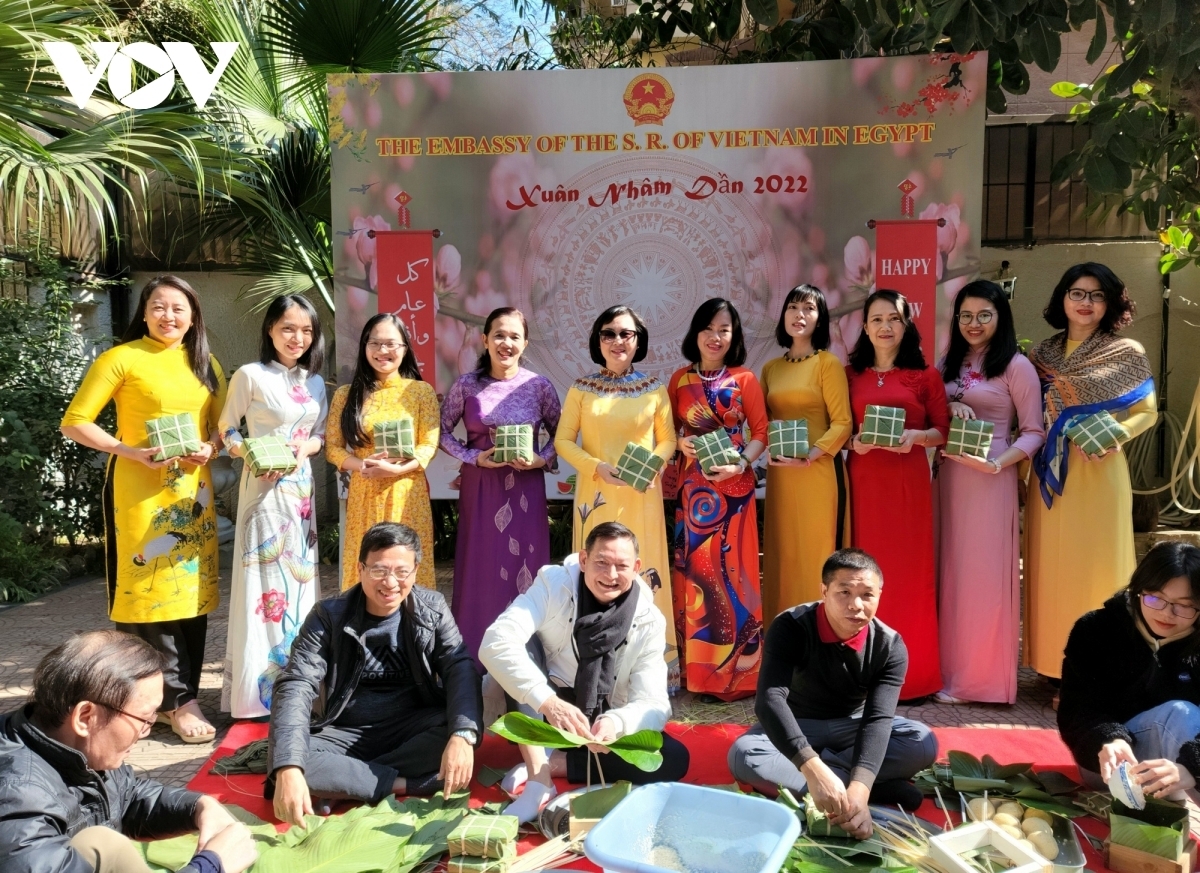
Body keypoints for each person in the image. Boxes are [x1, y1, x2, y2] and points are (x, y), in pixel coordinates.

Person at [61, 276, 227, 744]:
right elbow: (76, 422)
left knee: (190, 592)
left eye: (178, 308)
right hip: (138, 489)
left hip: (191, 492)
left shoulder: (205, 362)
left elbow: (220, 429)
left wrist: (209, 450)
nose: (168, 316)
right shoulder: (121, 358)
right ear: (144, 311)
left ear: (193, 316)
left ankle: (176, 692)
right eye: (158, 306)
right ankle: (174, 702)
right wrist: (128, 451)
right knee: (149, 591)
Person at [266, 522, 482, 829]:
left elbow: (459, 667)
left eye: (401, 571)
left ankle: (345, 784)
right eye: (379, 570)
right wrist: (288, 767)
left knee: (461, 731)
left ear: (415, 570)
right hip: (344, 732)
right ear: (361, 569)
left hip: (410, 728)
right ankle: (404, 785)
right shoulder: (328, 616)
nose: (391, 582)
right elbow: (297, 683)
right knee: (287, 758)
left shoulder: (432, 608)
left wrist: (462, 736)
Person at [480, 521, 690, 822]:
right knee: (522, 646)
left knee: (671, 759)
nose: (611, 575)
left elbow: (654, 703)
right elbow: (496, 641)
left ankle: (558, 762)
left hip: (600, 718)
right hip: (541, 712)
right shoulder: (553, 584)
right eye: (601, 563)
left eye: (622, 565)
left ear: (637, 567)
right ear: (583, 560)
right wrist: (549, 703)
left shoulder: (649, 619)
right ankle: (539, 778)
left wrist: (616, 723)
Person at [0, 630, 258, 873]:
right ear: (86, 716)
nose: (146, 731)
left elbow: (126, 795)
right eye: (145, 719)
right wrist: (211, 866)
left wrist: (199, 807)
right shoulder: (17, 798)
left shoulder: (73, 745)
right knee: (101, 842)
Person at [727, 549, 937, 839]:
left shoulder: (890, 646)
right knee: (743, 756)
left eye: (867, 595)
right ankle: (866, 789)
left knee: (922, 742)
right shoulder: (790, 626)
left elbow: (877, 720)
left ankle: (847, 794)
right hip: (796, 724)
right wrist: (813, 769)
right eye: (844, 592)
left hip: (852, 727)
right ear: (824, 590)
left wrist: (859, 790)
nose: (856, 605)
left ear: (880, 595)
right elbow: (769, 702)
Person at [1026, 263, 1157, 681]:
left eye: (1097, 295)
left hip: (1098, 471)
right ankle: (1050, 665)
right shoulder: (1041, 356)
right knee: (1048, 568)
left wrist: (1115, 435)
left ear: (1110, 303)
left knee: (1098, 567)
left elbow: (1147, 413)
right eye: (1078, 293)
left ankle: (1097, 673)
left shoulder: (1126, 353)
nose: (1086, 303)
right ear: (1062, 298)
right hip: (1049, 474)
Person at [554, 306, 679, 686]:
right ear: (597, 341)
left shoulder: (655, 389)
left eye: (626, 334)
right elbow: (562, 441)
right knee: (597, 570)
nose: (617, 341)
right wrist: (595, 467)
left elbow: (668, 439)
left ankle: (650, 673)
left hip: (641, 494)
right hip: (597, 493)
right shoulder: (581, 388)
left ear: (638, 340)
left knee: (643, 569)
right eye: (608, 334)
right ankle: (592, 668)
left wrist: (653, 465)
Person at [218, 294, 328, 719]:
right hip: (262, 489)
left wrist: (306, 450)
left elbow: (318, 435)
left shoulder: (313, 382)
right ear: (269, 330)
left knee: (299, 587)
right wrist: (247, 454)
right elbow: (226, 427)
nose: (297, 337)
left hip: (300, 494)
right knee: (264, 586)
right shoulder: (250, 375)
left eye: (306, 330)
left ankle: (299, 688)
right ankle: (256, 698)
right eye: (288, 328)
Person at [935, 282, 1045, 705]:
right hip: (949, 478)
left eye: (984, 315)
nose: (974, 324)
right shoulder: (949, 362)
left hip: (990, 478)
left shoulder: (1016, 366)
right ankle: (948, 672)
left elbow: (1034, 431)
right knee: (951, 573)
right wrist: (947, 406)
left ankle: (981, 682)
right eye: (966, 315)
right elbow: (930, 408)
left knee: (982, 579)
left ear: (1001, 318)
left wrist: (1000, 464)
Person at [440, 307, 561, 670]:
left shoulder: (538, 386)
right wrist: (473, 458)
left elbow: (563, 434)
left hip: (525, 489)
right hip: (481, 487)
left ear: (524, 343)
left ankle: (528, 656)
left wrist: (542, 459)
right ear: (485, 339)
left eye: (514, 336)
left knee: (526, 566)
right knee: (481, 566)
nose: (506, 343)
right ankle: (472, 659)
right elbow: (442, 432)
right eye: (499, 335)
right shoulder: (466, 385)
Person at [845, 290, 949, 700]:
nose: (885, 327)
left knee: (908, 578)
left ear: (907, 326)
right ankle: (861, 675)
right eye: (876, 319)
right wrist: (855, 443)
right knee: (860, 576)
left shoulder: (925, 376)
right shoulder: (849, 375)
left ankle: (915, 677)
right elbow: (838, 427)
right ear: (865, 327)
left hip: (907, 487)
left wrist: (917, 437)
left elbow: (943, 430)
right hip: (864, 483)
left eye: (894, 319)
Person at [667, 298, 768, 699]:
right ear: (695, 333)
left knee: (734, 577)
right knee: (696, 580)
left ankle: (737, 677)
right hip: (693, 493)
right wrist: (679, 443)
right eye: (708, 328)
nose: (715, 337)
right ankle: (698, 675)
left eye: (724, 330)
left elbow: (761, 431)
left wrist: (741, 463)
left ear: (734, 336)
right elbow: (668, 431)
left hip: (735, 492)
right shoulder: (678, 380)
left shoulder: (745, 379)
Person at [1058, 542, 1200, 802]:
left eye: (1184, 605)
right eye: (1155, 597)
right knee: (1180, 713)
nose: (1167, 614)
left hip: (1183, 767)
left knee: (1184, 715)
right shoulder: (1096, 630)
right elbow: (1077, 710)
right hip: (1110, 762)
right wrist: (1109, 739)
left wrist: (1193, 767)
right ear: (1138, 589)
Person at [326, 314, 440, 591]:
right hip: (365, 494)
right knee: (368, 566)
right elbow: (333, 448)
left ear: (405, 348)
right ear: (364, 347)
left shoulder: (420, 392)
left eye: (391, 344)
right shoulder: (346, 395)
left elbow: (429, 444)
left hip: (407, 493)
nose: (382, 351)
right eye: (375, 343)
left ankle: (413, 630)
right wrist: (362, 463)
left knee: (408, 565)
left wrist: (400, 469)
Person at [760, 285, 852, 622]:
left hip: (817, 472)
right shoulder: (771, 369)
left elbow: (842, 423)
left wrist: (811, 455)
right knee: (782, 554)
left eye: (809, 309)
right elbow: (762, 424)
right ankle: (780, 633)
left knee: (816, 554)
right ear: (783, 315)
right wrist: (767, 449)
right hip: (782, 474)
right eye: (793, 308)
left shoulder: (827, 364)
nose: (799, 315)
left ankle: (820, 631)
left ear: (820, 318)